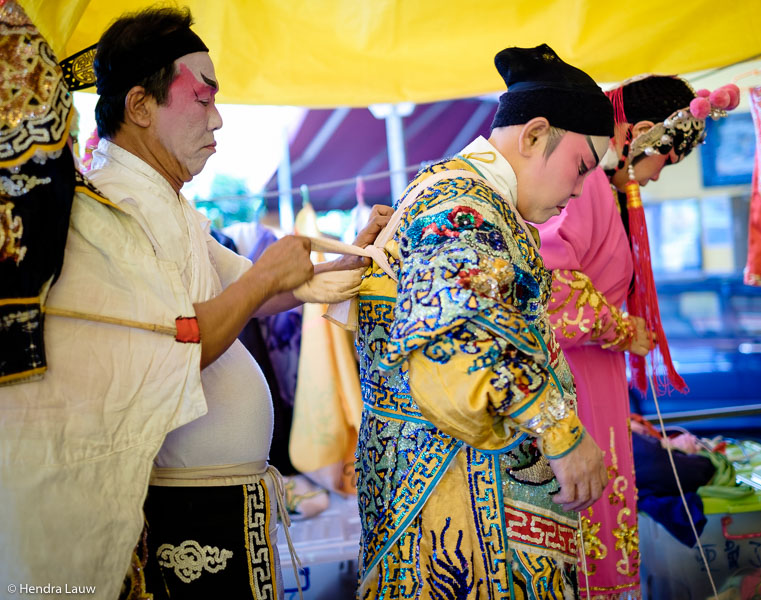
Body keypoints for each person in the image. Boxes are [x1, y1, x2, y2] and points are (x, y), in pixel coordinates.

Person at [0, 5, 389, 599]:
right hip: (182, 517)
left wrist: (349, 257)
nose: (220, 119)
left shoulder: (169, 203)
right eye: (203, 99)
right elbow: (174, 341)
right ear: (140, 106)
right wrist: (262, 280)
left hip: (220, 506)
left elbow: (260, 287)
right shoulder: (107, 211)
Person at [350, 44, 613, 599]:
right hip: (456, 498)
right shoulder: (459, 202)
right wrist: (563, 435)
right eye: (582, 167)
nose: (580, 189)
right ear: (535, 134)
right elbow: (460, 331)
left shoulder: (471, 198)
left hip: (463, 491)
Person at [536, 75, 738, 598]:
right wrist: (622, 329)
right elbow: (548, 290)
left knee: (603, 505)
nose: (656, 177)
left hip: (593, 377)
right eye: (665, 162)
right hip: (574, 381)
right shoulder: (585, 189)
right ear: (643, 133)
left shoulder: (599, 190)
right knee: (583, 516)